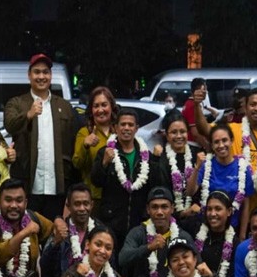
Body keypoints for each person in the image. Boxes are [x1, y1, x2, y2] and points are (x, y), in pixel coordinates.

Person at [4, 53, 76, 220]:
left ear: (51, 75)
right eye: (37, 72)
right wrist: (28, 115)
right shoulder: (16, 103)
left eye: (45, 72)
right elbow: (10, 125)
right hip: (27, 184)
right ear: (29, 75)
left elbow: (72, 141)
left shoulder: (64, 106)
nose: (41, 76)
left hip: (56, 184)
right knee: (26, 230)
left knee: (53, 230)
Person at [0, 180, 53, 277]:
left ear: (25, 203)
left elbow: (54, 231)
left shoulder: (33, 218)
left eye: (19, 200)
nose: (14, 205)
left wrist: (59, 220)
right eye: (8, 200)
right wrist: (25, 232)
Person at [92, 108, 152, 240]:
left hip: (138, 222)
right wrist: (104, 163)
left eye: (130, 125)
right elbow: (96, 181)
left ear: (136, 128)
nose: (126, 128)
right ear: (115, 127)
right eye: (123, 124)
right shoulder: (105, 152)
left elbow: (151, 186)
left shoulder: (146, 155)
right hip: (111, 222)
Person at [187, 123, 255, 236]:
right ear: (212, 145)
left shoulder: (243, 168)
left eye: (224, 140)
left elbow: (246, 206)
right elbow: (190, 192)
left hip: (232, 231)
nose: (221, 145)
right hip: (205, 229)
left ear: (231, 141)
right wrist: (197, 167)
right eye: (216, 142)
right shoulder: (206, 165)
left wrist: (242, 236)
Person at [72, 86, 118, 207]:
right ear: (91, 110)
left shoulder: (120, 132)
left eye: (104, 105)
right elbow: (77, 164)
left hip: (118, 197)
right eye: (96, 106)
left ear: (111, 107)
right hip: (93, 199)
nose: (100, 110)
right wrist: (85, 145)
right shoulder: (84, 133)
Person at [150, 112, 199, 221]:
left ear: (187, 133)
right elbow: (156, 188)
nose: (179, 136)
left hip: (195, 215)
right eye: (174, 132)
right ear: (167, 135)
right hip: (167, 219)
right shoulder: (160, 158)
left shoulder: (197, 155)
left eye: (182, 131)